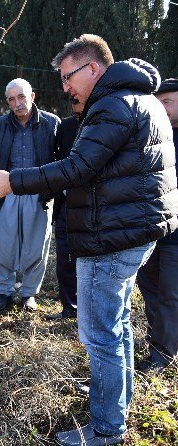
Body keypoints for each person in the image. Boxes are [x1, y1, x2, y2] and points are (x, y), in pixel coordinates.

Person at [0, 34, 178, 446]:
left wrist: (12, 182)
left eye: (68, 76)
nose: (65, 87)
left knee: (99, 333)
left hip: (110, 236)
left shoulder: (113, 106)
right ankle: (115, 397)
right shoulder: (139, 99)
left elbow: (76, 168)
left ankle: (107, 429)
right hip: (130, 231)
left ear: (93, 67)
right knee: (118, 322)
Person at [0, 78, 59, 312]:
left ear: (33, 96)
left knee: (36, 246)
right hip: (9, 191)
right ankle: (4, 292)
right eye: (12, 99)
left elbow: (59, 160)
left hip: (39, 192)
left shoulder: (51, 123)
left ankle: (28, 294)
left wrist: (49, 187)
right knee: (4, 245)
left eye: (22, 97)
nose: (17, 103)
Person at [135, 77, 178, 372]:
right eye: (158, 101)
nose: (161, 106)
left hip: (177, 235)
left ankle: (163, 355)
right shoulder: (150, 134)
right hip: (150, 229)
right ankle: (160, 341)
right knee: (149, 286)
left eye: (168, 101)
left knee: (170, 292)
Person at [45, 95, 82, 321]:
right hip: (67, 203)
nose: (77, 106)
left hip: (96, 207)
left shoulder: (105, 123)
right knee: (65, 260)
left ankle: (89, 311)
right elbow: (58, 160)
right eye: (74, 102)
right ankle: (69, 307)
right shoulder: (66, 126)